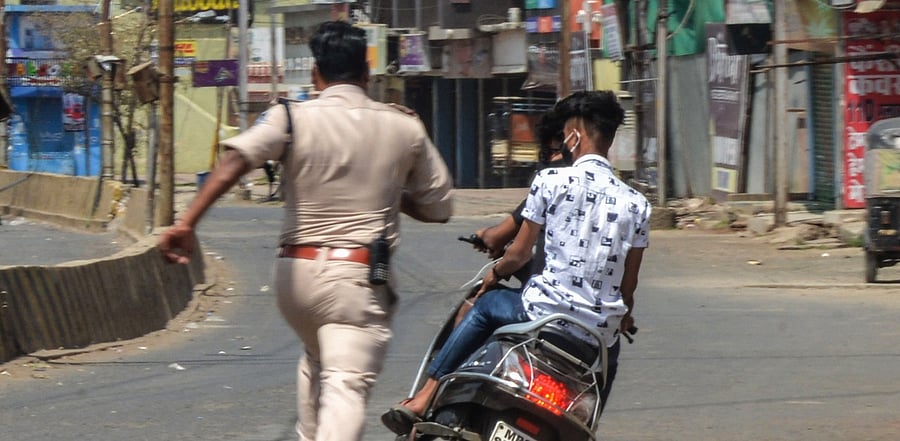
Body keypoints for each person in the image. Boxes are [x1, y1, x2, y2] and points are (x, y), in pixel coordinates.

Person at [158, 20, 454, 441]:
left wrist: (187, 223)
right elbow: (439, 207)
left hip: (295, 281)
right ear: (367, 73)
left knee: (317, 360)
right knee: (345, 385)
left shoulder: (290, 117)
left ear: (316, 73)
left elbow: (236, 159)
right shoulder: (403, 126)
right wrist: (391, 191)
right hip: (356, 282)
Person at [382, 90, 650, 435]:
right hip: (596, 334)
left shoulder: (551, 181)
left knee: (486, 306)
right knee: (607, 363)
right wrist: (623, 316)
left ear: (573, 136)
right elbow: (628, 286)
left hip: (539, 315)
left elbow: (519, 255)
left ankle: (424, 398)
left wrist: (494, 275)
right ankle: (586, 431)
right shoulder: (637, 204)